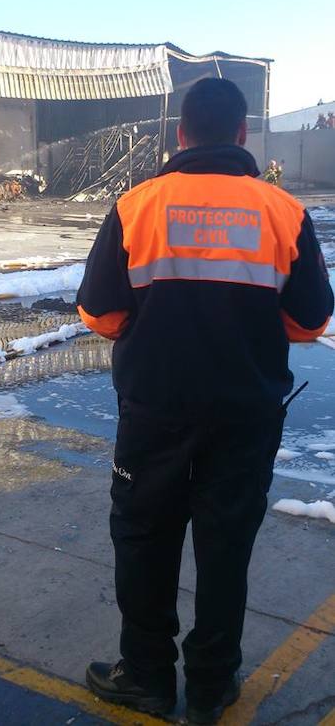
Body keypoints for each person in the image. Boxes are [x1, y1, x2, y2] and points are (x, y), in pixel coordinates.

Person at [76, 78, 334, 724]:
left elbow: (98, 312)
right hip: (245, 418)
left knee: (143, 540)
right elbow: (311, 321)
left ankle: (147, 677)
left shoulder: (137, 207)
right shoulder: (283, 213)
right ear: (243, 136)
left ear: (181, 135)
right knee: (226, 549)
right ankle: (213, 685)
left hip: (154, 413)